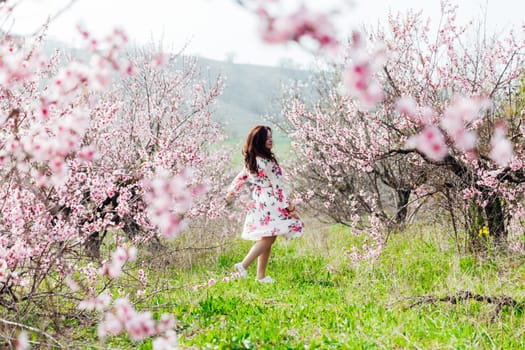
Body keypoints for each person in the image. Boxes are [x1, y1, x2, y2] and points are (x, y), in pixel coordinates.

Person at [225, 125, 304, 283]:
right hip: (272, 201)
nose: (270, 140)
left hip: (259, 201)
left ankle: (260, 276)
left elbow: (241, 177)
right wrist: (290, 208)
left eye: (271, 137)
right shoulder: (267, 163)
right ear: (260, 141)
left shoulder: (252, 160)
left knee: (267, 236)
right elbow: (278, 187)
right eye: (267, 138)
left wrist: (231, 192)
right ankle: (243, 265)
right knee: (268, 238)